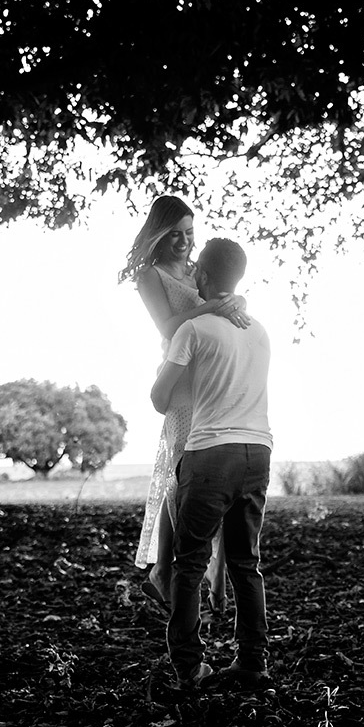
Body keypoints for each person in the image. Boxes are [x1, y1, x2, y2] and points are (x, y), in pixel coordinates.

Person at [150, 238, 273, 690]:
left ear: (201, 275)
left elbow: (160, 399)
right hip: (258, 450)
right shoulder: (258, 329)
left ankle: (188, 666)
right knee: (245, 562)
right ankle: (253, 662)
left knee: (190, 563)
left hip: (209, 454)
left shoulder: (193, 330)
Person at [119, 195, 249, 615]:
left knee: (207, 475)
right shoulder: (150, 277)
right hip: (180, 380)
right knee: (181, 475)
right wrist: (213, 306)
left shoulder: (198, 272)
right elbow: (169, 326)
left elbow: (227, 297)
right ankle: (166, 572)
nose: (183, 242)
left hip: (213, 375)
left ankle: (197, 574)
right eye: (174, 234)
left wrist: (236, 303)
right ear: (158, 234)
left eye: (189, 233)